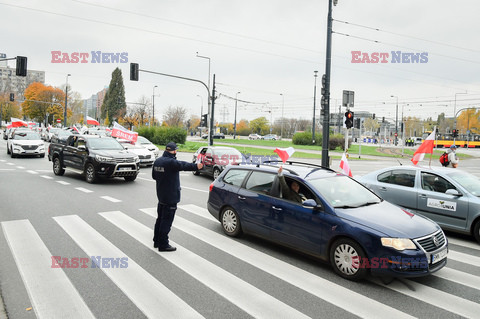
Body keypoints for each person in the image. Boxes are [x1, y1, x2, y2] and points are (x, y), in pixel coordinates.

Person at [152, 142, 203, 251]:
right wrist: (196, 166)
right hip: (170, 197)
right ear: (174, 151)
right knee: (167, 222)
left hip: (161, 195)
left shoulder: (158, 161)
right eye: (176, 150)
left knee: (160, 219)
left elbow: (154, 176)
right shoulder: (171, 162)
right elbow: (183, 165)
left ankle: (156, 241)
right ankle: (163, 244)